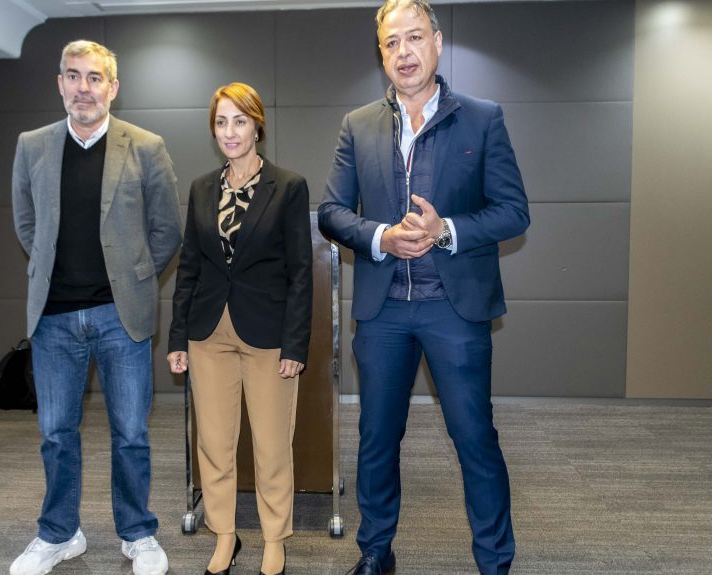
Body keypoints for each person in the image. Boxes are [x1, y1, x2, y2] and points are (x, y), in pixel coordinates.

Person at [318, 1, 530, 573]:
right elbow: (332, 212)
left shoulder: (483, 118)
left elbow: (513, 211)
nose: (404, 52)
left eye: (415, 38)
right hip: (383, 312)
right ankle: (375, 554)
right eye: (392, 43)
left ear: (437, 43)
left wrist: (447, 231)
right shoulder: (357, 124)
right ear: (381, 53)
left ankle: (494, 562)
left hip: (455, 312)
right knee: (377, 442)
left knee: (475, 441)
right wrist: (382, 237)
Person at [10, 40, 181, 575]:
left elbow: (166, 230)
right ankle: (59, 534)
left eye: (95, 78)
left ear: (113, 87)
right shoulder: (32, 145)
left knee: (130, 432)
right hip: (54, 319)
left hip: (119, 315)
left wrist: (132, 276)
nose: (84, 88)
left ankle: (137, 533)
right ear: (59, 83)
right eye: (74, 76)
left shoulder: (146, 146)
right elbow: (26, 223)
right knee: (55, 435)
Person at [167, 82, 313, 575]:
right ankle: (224, 536)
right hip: (208, 334)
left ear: (257, 126)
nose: (230, 132)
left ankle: (275, 539)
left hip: (268, 335)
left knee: (272, 446)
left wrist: (296, 342)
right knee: (214, 442)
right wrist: (176, 338)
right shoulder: (202, 188)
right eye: (221, 122)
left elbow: (300, 272)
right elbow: (189, 268)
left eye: (239, 121)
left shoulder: (288, 187)